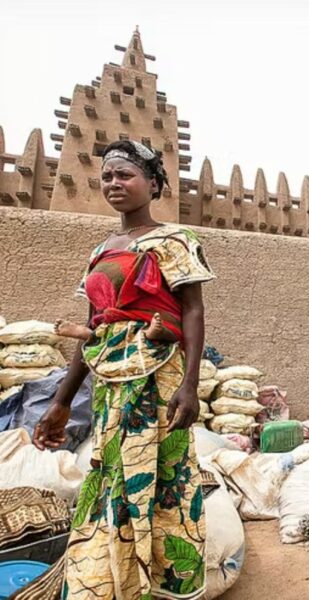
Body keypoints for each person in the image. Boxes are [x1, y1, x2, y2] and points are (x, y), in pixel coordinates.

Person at [33, 140, 214, 599]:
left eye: (125, 175)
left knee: (164, 471)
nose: (114, 183)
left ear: (153, 185)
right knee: (112, 470)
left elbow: (192, 311)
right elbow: (95, 327)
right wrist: (60, 401)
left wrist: (190, 386)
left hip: (159, 376)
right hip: (110, 380)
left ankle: (168, 583)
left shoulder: (175, 241)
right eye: (108, 176)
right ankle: (117, 582)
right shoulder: (101, 250)